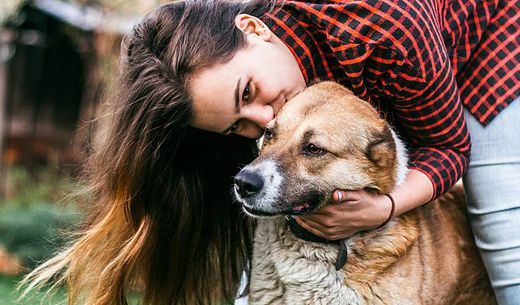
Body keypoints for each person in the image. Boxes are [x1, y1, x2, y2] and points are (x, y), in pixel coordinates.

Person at [23, 0, 519, 304]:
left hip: (488, 57)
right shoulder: (264, 81)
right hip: (407, 75)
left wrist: (383, 205)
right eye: (238, 124)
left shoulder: (381, 25)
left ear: (255, 29)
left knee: (504, 237)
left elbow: (449, 145)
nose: (260, 120)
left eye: (247, 93)